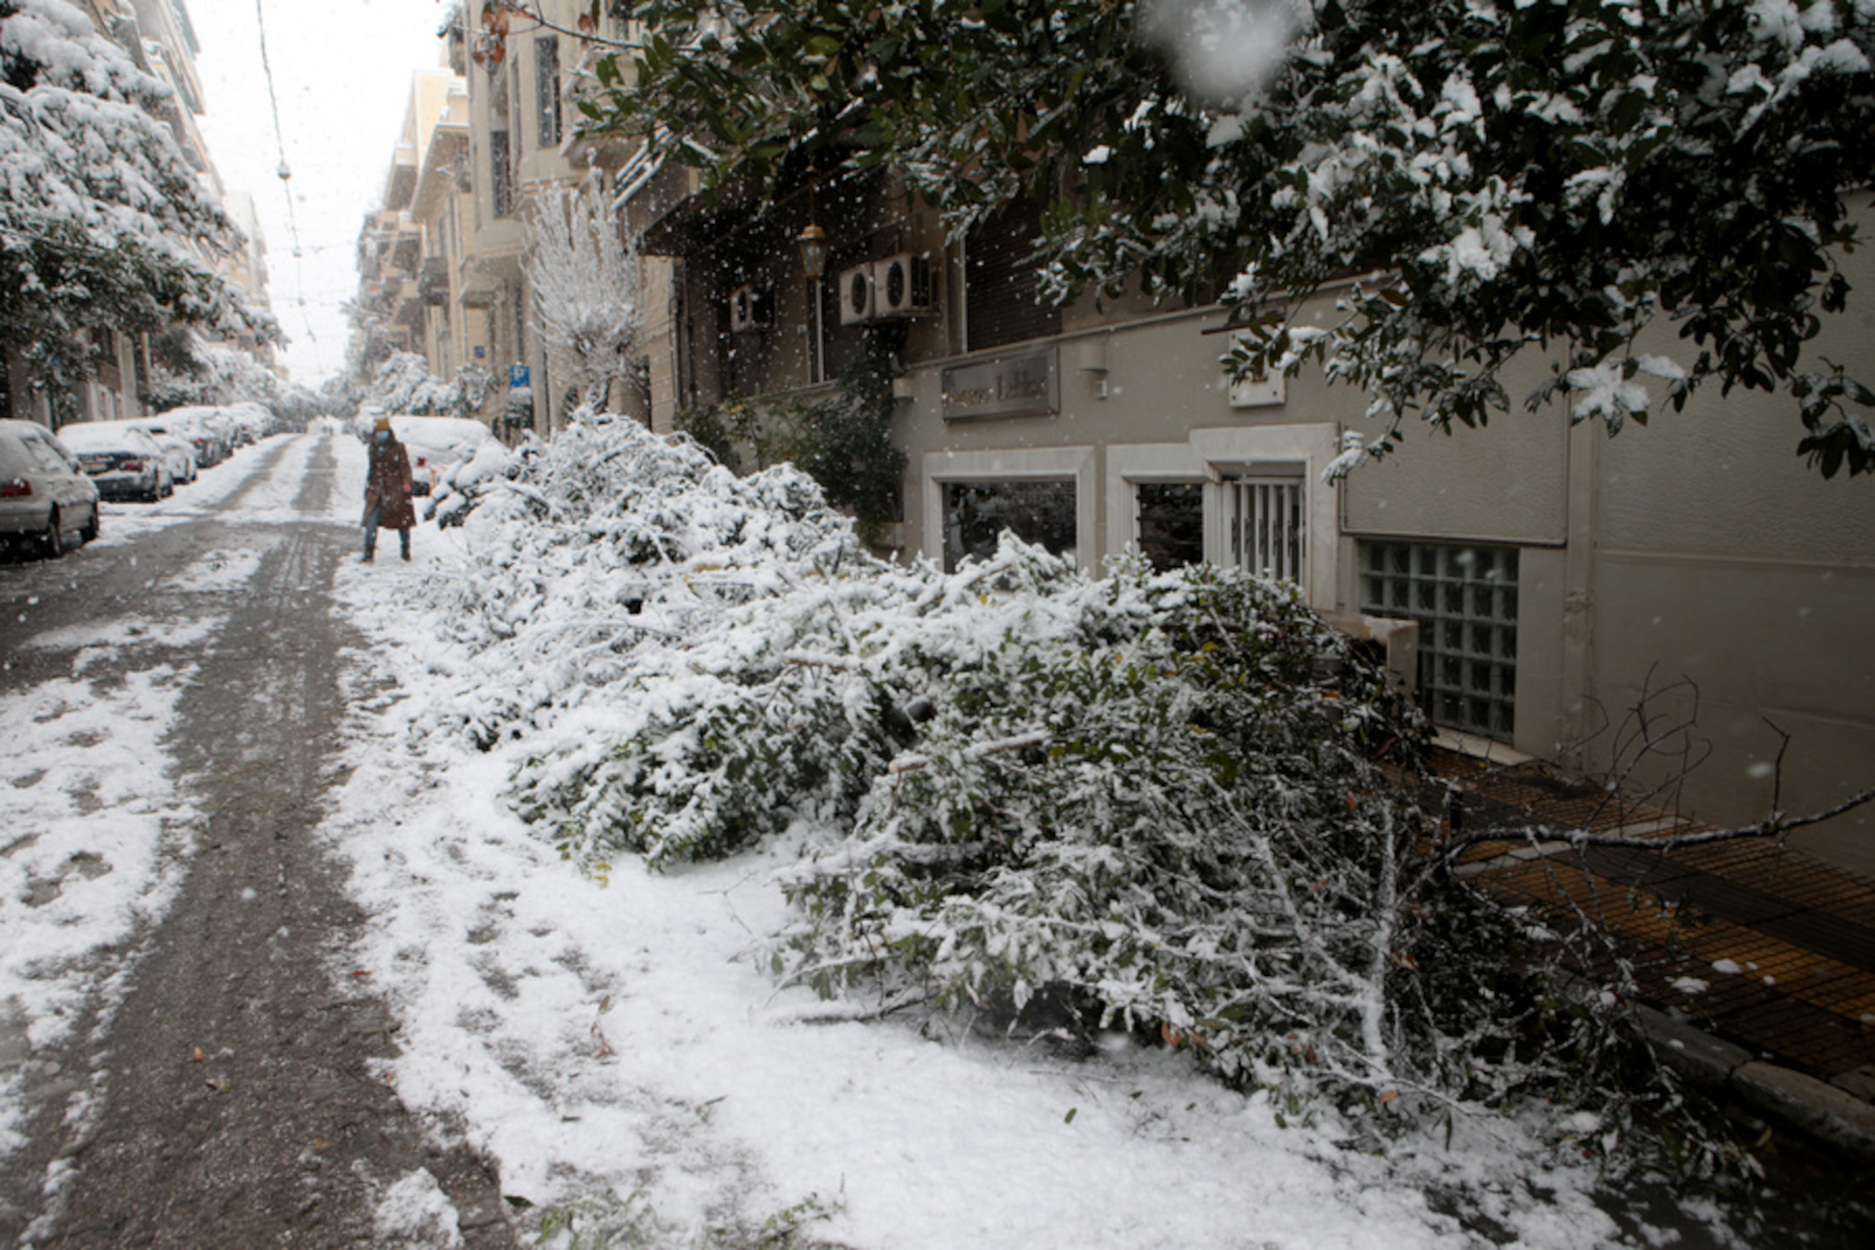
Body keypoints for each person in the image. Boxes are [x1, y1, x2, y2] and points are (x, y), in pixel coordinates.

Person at [362, 416, 415, 562]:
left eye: (384, 431)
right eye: (379, 431)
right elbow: (372, 469)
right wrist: (368, 488)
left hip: (395, 490)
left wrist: (406, 482)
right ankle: (368, 552)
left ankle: (405, 550)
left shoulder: (398, 448)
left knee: (402, 522)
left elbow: (405, 466)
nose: (381, 433)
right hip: (376, 489)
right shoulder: (372, 447)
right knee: (371, 521)